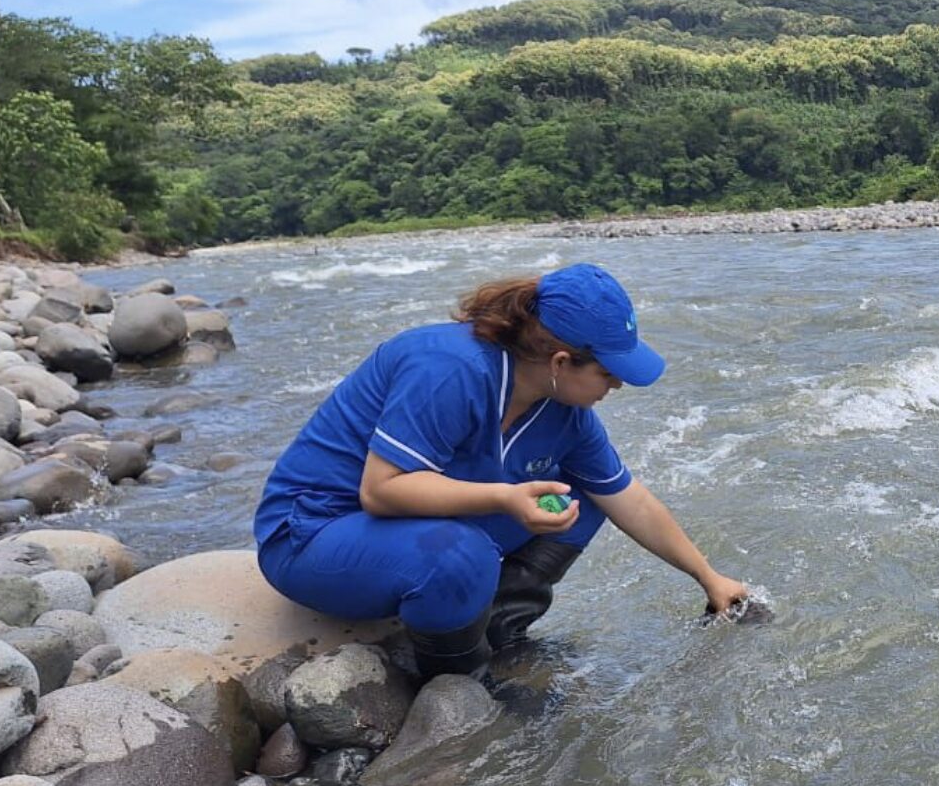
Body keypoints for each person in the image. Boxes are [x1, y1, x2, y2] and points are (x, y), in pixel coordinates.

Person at [252, 263, 748, 676]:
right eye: (608, 372)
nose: (617, 385)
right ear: (560, 361)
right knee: (463, 556)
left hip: (395, 530)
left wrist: (708, 578)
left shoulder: (566, 415)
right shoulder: (451, 367)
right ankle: (458, 679)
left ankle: (498, 634)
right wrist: (503, 498)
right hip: (312, 534)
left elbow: (629, 498)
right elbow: (381, 491)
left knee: (581, 495)